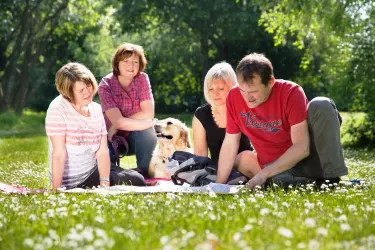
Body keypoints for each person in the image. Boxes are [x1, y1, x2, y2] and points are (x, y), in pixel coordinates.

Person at [216, 53, 348, 188]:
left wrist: (263, 174)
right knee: (279, 182)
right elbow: (230, 144)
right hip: (278, 169)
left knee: (322, 104)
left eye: (253, 91)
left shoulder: (291, 92)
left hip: (308, 160)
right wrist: (218, 185)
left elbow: (302, 147)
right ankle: (313, 184)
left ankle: (331, 179)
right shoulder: (233, 97)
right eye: (242, 90)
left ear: (270, 82)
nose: (247, 97)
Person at [45, 62, 145, 190]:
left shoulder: (96, 109)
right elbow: (59, 153)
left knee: (137, 177)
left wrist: (104, 182)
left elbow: (102, 150)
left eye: (88, 85)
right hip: (76, 179)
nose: (88, 92)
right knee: (137, 180)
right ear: (68, 93)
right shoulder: (57, 109)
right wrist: (56, 189)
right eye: (81, 90)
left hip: (93, 168)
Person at [98, 43, 157, 175]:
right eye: (126, 61)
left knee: (147, 129)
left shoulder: (142, 78)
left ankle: (145, 174)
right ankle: (116, 174)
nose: (131, 66)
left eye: (135, 62)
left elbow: (149, 113)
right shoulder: (105, 84)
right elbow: (117, 121)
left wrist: (118, 125)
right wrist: (116, 125)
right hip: (110, 138)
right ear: (117, 63)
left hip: (135, 137)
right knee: (107, 172)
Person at [193, 62, 257, 172]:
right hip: (217, 168)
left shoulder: (245, 108)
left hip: (246, 164)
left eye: (221, 89)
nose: (215, 93)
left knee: (247, 158)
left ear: (233, 87)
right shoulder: (201, 115)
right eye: (211, 89)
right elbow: (200, 156)